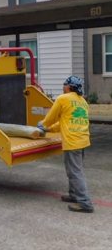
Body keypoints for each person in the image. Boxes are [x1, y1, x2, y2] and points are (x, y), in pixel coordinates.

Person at [38, 76, 94, 213]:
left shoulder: (63, 99)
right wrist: (50, 129)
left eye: (64, 85)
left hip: (72, 141)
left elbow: (51, 117)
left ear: (68, 87)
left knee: (75, 172)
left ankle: (85, 202)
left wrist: (43, 125)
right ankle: (74, 195)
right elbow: (65, 121)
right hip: (83, 139)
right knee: (73, 170)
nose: (63, 87)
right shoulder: (82, 101)